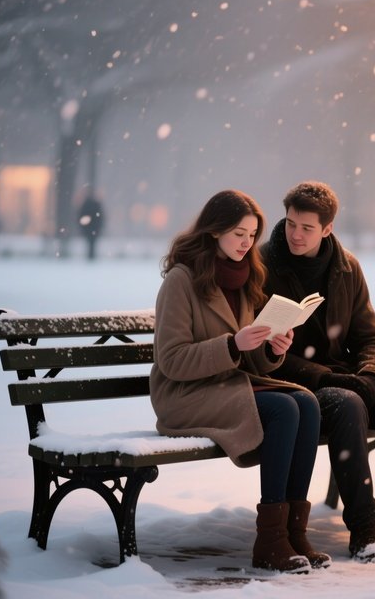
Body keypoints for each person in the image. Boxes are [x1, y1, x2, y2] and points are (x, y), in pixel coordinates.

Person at [261, 181, 375, 564]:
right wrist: (327, 378)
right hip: (295, 388)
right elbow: (267, 350)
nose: (296, 234)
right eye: (292, 223)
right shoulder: (264, 266)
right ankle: (364, 530)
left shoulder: (346, 267)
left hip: (348, 383)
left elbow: (371, 337)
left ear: (327, 229)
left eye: (307, 228)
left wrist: (372, 378)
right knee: (346, 405)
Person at [149, 189, 330, 573]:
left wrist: (272, 348)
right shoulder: (181, 281)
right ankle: (269, 540)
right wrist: (232, 344)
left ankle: (293, 533)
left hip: (226, 387)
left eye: (251, 235)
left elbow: (250, 357)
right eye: (237, 234)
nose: (246, 243)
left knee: (307, 404)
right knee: (282, 408)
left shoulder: (246, 277)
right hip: (185, 395)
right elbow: (171, 360)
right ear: (214, 232)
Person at [77, 192, 105, 260]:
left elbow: (81, 216)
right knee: (92, 243)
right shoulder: (96, 205)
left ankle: (90, 256)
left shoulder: (85, 205)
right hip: (93, 228)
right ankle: (91, 256)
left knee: (90, 242)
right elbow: (100, 217)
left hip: (89, 228)